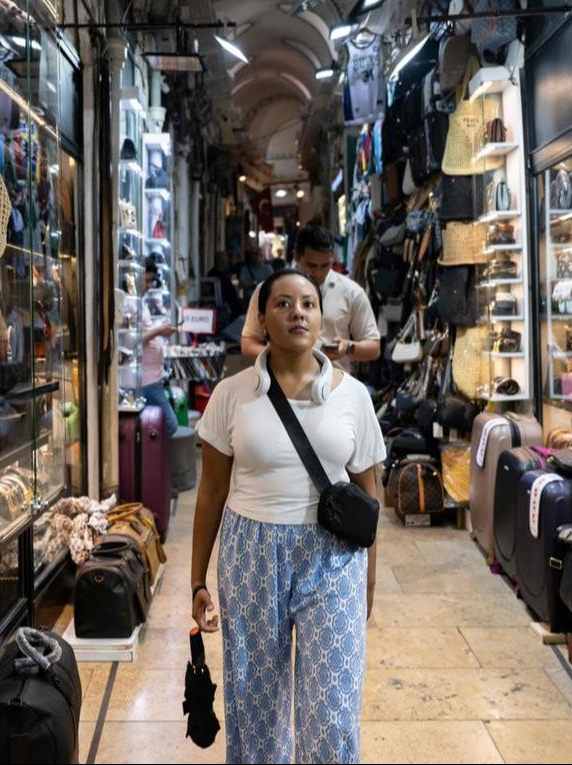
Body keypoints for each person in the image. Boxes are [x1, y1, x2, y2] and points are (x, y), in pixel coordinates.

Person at [191, 268, 384, 763]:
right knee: (254, 709)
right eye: (282, 304)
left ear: (321, 317)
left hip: (334, 558)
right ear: (261, 318)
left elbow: (370, 493)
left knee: (333, 712)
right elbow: (211, 491)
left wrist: (369, 584)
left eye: (308, 303)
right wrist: (197, 581)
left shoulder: (354, 398)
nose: (297, 312)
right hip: (250, 555)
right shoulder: (232, 394)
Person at [241, 225, 381, 373]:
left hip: (333, 387)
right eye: (312, 265)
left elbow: (374, 348)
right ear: (296, 257)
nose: (319, 273)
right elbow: (248, 342)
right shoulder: (269, 291)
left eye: (326, 265)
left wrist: (348, 348)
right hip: (279, 383)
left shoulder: (351, 292)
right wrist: (277, 356)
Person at [139, 257, 178, 436]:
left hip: (153, 376)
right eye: (145, 280)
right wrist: (159, 331)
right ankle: (153, 461)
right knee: (169, 424)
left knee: (157, 424)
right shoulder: (132, 303)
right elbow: (135, 342)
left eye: (150, 281)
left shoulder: (141, 302)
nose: (148, 285)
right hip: (147, 379)